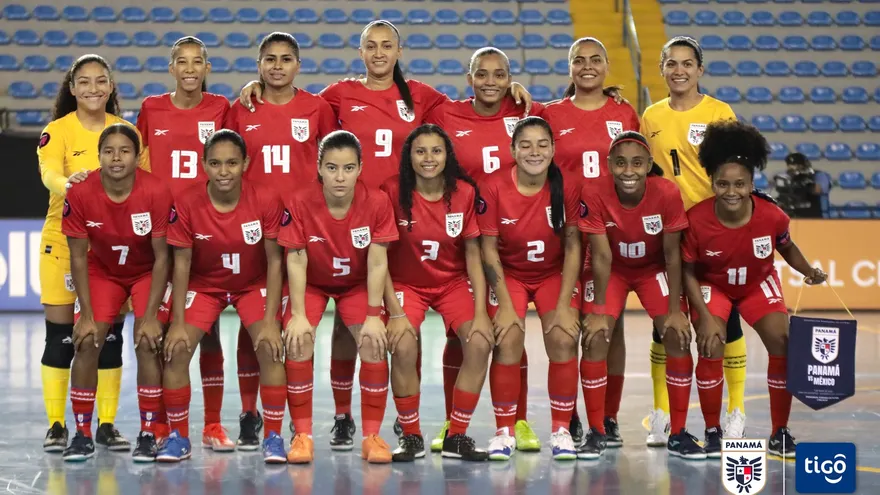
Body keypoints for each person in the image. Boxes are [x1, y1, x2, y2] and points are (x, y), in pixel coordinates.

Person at [239, 20, 534, 450]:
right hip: (341, 219)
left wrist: (513, 93)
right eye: (371, 46)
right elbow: (294, 104)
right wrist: (259, 87)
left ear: (399, 51)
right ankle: (343, 418)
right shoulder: (338, 95)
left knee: (386, 326)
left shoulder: (424, 98)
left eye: (387, 46)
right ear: (360, 52)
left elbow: (474, 104)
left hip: (399, 223)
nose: (379, 53)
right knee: (349, 328)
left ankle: (407, 423)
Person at [423, 47, 544, 452]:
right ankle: (451, 422)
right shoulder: (445, 114)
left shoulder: (527, 112)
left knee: (510, 332)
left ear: (510, 78)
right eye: (482, 74)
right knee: (461, 334)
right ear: (469, 78)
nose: (490, 81)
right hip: (462, 242)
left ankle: (516, 422)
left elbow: (569, 113)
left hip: (511, 241)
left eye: (500, 74)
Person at [683, 120, 826, 458]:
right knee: (711, 343)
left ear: (751, 184)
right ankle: (713, 430)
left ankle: (780, 432)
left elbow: (786, 246)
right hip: (712, 284)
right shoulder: (696, 220)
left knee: (783, 341)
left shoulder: (772, 216)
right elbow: (686, 271)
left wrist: (809, 271)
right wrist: (704, 317)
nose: (731, 191)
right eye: (723, 184)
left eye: (739, 184)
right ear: (712, 183)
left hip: (756, 283)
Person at [224, 31, 338, 447]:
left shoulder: (317, 108)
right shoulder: (241, 108)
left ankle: (297, 420)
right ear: (258, 65)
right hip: (254, 229)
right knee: (254, 319)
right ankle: (249, 412)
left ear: (298, 65)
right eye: (269, 59)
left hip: (304, 231)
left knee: (295, 326)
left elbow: (333, 159)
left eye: (285, 58)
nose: (277, 66)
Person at [641, 36, 747, 445]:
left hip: (715, 231)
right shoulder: (651, 115)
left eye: (687, 63)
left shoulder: (720, 113)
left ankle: (735, 411)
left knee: (725, 318)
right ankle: (662, 413)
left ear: (700, 69)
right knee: (665, 320)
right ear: (662, 69)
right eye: (671, 63)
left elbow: (735, 172)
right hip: (667, 232)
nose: (679, 70)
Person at [158, 130, 287, 464]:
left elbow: (275, 262)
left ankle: (273, 437)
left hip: (252, 284)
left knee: (271, 348)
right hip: (204, 285)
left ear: (245, 163)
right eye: (215, 163)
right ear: (204, 165)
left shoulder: (267, 199)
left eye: (232, 163)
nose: (224, 171)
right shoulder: (187, 202)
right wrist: (177, 322)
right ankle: (179, 437)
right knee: (176, 350)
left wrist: (271, 322)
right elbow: (181, 263)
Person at [37, 54, 142, 452]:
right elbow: (49, 174)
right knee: (61, 338)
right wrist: (71, 185)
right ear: (72, 88)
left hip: (113, 248)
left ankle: (107, 424)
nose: (93, 88)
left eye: (101, 81)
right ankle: (57, 425)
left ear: (111, 87)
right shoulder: (57, 131)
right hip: (63, 245)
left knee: (109, 338)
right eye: (84, 81)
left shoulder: (126, 131)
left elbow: (141, 182)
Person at [136, 35, 237, 452]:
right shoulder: (151, 108)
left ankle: (212, 425)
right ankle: (159, 426)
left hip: (206, 232)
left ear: (207, 68)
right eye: (183, 62)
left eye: (198, 62)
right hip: (162, 237)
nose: (190, 69)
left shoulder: (221, 107)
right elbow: (136, 161)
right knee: (157, 332)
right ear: (172, 68)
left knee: (207, 333)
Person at [541, 36, 642, 447]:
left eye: (595, 59)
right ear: (569, 67)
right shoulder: (549, 113)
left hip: (611, 232)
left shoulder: (624, 112)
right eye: (578, 60)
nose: (587, 66)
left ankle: (609, 416)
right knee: (568, 325)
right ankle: (570, 415)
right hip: (564, 233)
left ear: (606, 67)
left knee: (609, 328)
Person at [279, 131, 398, 464]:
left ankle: (371, 437)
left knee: (373, 342)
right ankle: (302, 435)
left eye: (348, 168)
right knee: (298, 340)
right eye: (332, 168)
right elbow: (296, 259)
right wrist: (298, 314)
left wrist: (373, 315)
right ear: (319, 168)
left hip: (356, 284)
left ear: (360, 168)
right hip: (313, 284)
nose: (340, 177)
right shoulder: (300, 200)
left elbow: (377, 261)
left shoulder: (377, 201)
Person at [60, 124, 172, 462]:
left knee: (147, 341)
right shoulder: (80, 193)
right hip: (103, 271)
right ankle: (82, 434)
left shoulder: (156, 190)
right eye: (108, 151)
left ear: (138, 157)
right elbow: (78, 257)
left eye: (125, 151)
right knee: (86, 340)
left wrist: (149, 317)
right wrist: (86, 316)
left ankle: (148, 433)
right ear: (99, 156)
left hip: (146, 271)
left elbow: (163, 257)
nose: (116, 158)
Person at [380, 124, 492, 462]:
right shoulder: (391, 191)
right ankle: (411, 435)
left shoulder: (464, 193)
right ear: (409, 156)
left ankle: (456, 435)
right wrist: (395, 312)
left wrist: (482, 313)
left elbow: (473, 255)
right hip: (406, 284)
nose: (428, 158)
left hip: (452, 283)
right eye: (420, 151)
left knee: (480, 342)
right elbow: (378, 257)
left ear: (448, 156)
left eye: (436, 151)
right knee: (402, 345)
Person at [577, 131, 692, 459]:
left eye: (637, 163)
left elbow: (672, 255)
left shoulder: (667, 192)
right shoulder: (594, 191)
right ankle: (597, 430)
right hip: (611, 270)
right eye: (621, 163)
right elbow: (601, 256)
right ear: (609, 164)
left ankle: (678, 432)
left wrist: (675, 310)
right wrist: (599, 309)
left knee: (677, 336)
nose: (629, 171)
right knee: (595, 337)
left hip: (651, 270)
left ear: (649, 165)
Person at [478, 117, 582, 461]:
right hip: (510, 274)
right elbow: (488, 249)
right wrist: (506, 305)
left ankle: (562, 430)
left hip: (553, 274)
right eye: (525, 145)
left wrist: (564, 305)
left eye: (542, 144)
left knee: (563, 337)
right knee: (507, 337)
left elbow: (573, 246)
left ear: (553, 149)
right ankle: (504, 431)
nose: (534, 152)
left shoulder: (568, 185)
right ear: (512, 150)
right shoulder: (493, 186)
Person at [773, 152, 829, 219]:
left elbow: (818, 190)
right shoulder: (783, 176)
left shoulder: (816, 174)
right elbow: (780, 192)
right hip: (788, 214)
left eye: (798, 165)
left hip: (810, 215)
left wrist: (804, 182)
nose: (795, 167)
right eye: (791, 165)